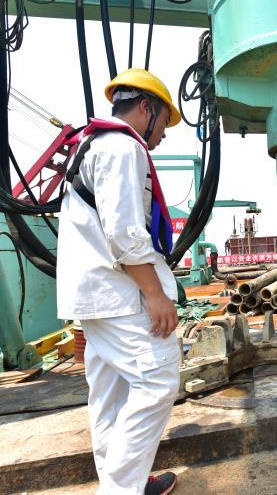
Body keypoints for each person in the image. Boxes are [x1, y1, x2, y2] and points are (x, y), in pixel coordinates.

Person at [57, 69, 183, 495]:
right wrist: (155, 293)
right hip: (118, 292)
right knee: (158, 380)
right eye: (164, 121)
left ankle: (126, 481)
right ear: (147, 107)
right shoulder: (122, 147)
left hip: (94, 293)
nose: (163, 133)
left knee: (110, 392)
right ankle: (120, 489)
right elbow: (125, 232)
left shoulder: (91, 144)